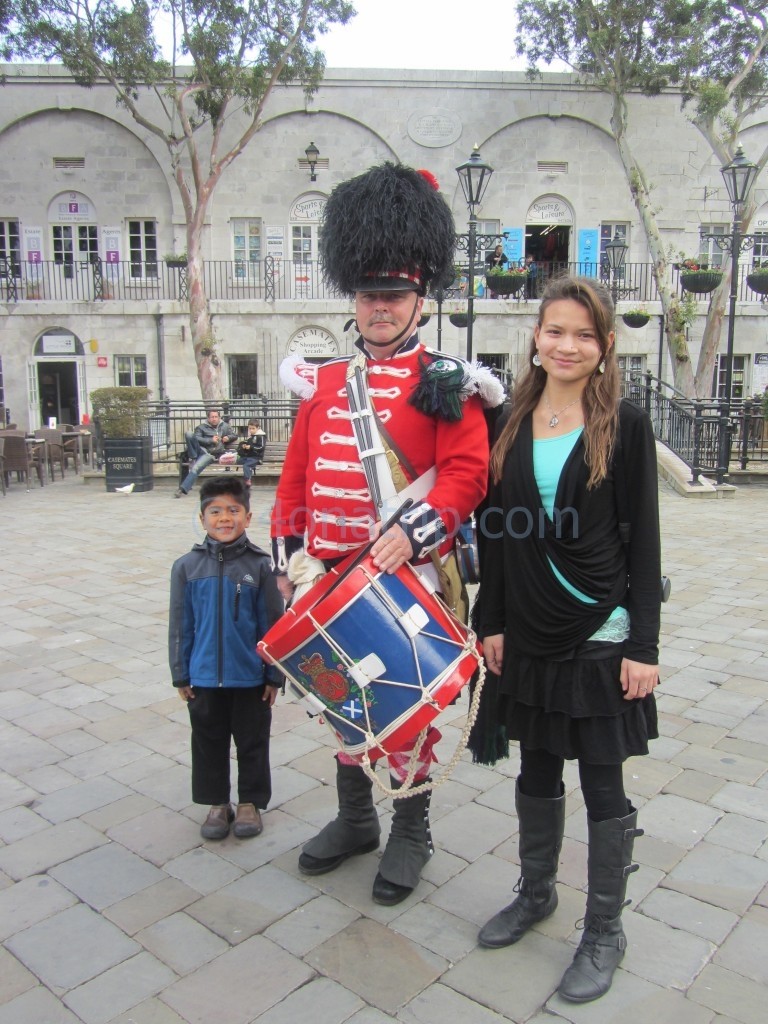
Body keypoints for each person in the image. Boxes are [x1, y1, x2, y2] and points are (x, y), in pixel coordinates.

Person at [271, 162, 504, 906]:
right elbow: (296, 479)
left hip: (406, 572)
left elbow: (468, 476)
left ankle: (411, 832)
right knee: (341, 700)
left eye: (393, 295)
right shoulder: (326, 385)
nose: (379, 307)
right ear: (354, 298)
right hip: (328, 573)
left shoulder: (446, 383)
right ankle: (354, 820)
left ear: (419, 300)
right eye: (369, 294)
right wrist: (288, 555)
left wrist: (414, 532)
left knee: (404, 705)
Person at [477, 276, 661, 1004]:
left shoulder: (626, 422)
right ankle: (537, 893)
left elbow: (643, 540)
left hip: (599, 627)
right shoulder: (511, 419)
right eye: (556, 330)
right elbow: (494, 533)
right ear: (536, 337)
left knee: (602, 781)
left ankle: (605, 929)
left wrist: (643, 644)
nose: (568, 345)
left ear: (606, 345)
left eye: (584, 334)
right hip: (527, 624)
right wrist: (490, 620)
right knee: (536, 769)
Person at [169, 477, 284, 839]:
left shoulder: (261, 566)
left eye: (233, 510)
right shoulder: (186, 567)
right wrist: (180, 673)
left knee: (252, 740)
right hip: (202, 676)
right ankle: (217, 803)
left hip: (248, 676)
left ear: (247, 517)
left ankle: (250, 802)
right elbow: (180, 624)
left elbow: (272, 625)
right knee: (208, 740)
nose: (224, 518)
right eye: (215, 511)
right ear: (202, 518)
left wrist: (273, 676)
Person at [174, 408, 237, 498]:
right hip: (200, 450)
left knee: (196, 467)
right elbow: (196, 438)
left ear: (219, 418)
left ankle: (182, 489)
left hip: (210, 454)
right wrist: (210, 440)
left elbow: (234, 435)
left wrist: (228, 437)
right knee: (188, 434)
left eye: (216, 417)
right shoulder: (201, 427)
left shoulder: (224, 426)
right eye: (212, 417)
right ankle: (193, 457)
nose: (214, 419)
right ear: (208, 418)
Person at [237, 418, 266, 486]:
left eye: (253, 428)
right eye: (250, 428)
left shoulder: (261, 436)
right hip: (249, 456)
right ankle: (246, 477)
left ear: (258, 428)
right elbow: (247, 444)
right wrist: (244, 446)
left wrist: (251, 447)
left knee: (246, 465)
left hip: (256, 457)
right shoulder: (251, 437)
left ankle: (247, 480)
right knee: (239, 461)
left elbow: (261, 447)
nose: (251, 430)